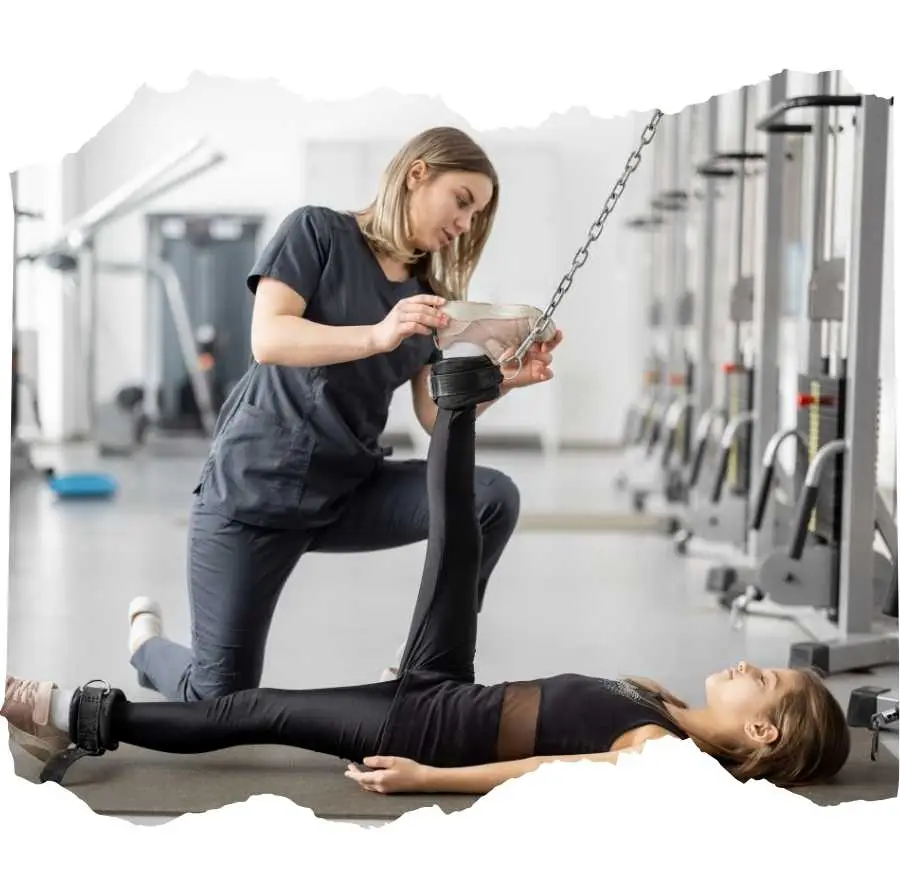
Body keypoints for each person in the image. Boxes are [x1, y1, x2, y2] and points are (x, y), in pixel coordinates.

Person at [3, 356, 851, 795]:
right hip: (447, 688)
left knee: (248, 710)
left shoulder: (664, 754)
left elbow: (544, 776)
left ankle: (71, 713)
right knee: (457, 543)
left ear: (765, 735)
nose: (748, 665)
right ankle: (455, 404)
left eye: (765, 681)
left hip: (429, 729)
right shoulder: (662, 703)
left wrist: (427, 777)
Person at [125, 125, 564, 703]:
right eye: (462, 201)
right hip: (255, 494)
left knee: (491, 497)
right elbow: (270, 338)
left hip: (348, 490)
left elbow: (434, 418)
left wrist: (501, 383)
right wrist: (380, 334)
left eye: (477, 215)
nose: (465, 224)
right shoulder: (317, 232)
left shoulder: (426, 289)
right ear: (417, 174)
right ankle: (144, 648)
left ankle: (420, 671)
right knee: (218, 699)